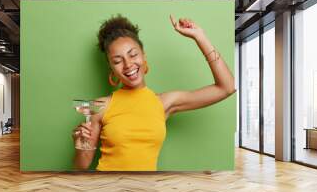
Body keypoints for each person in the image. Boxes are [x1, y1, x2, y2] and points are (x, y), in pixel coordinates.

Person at [72, 14, 235, 171]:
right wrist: (80, 143)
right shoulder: (98, 106)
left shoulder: (164, 103)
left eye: (133, 54)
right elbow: (81, 167)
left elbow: (227, 87)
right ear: (111, 70)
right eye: (117, 61)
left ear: (144, 57)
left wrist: (200, 37)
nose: (128, 64)